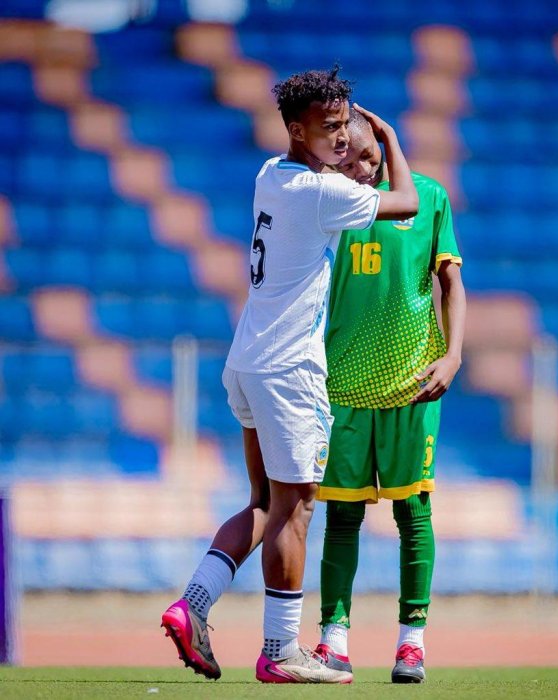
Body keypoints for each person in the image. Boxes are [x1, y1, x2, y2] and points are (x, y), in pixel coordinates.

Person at [160, 68, 418, 684]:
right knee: (296, 509)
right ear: (298, 131)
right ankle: (280, 652)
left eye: (345, 125)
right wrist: (389, 139)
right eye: (330, 128)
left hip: (248, 358)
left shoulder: (271, 175)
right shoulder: (322, 194)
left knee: (263, 503)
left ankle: (191, 604)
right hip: (289, 369)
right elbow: (407, 202)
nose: (342, 139)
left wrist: (351, 155)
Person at [314, 108, 467, 683]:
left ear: (383, 146)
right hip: (341, 386)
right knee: (342, 516)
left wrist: (453, 354)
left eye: (368, 155)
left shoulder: (428, 197)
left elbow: (451, 283)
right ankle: (333, 638)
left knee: (414, 513)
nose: (358, 168)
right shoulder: (326, 204)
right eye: (345, 160)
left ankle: (411, 644)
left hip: (412, 385)